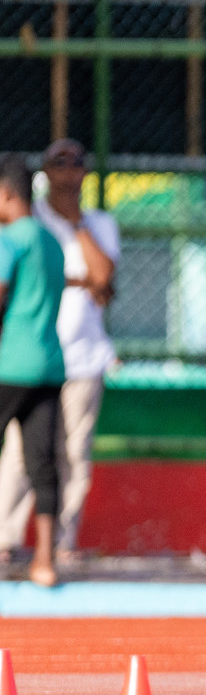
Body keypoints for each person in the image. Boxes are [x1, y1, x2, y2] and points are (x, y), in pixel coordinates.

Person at [0, 139, 118, 563]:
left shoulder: (93, 224)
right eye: (58, 163)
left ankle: (60, 545)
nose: (68, 172)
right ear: (44, 173)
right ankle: (8, 540)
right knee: (21, 455)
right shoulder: (32, 225)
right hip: (41, 357)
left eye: (76, 163)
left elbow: (105, 280)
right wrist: (84, 282)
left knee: (69, 454)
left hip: (77, 359)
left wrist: (77, 225)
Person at [0, 153, 68, 587]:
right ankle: (45, 560)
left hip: (9, 365)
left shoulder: (10, 239)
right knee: (43, 462)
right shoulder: (52, 241)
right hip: (49, 363)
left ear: (5, 194)